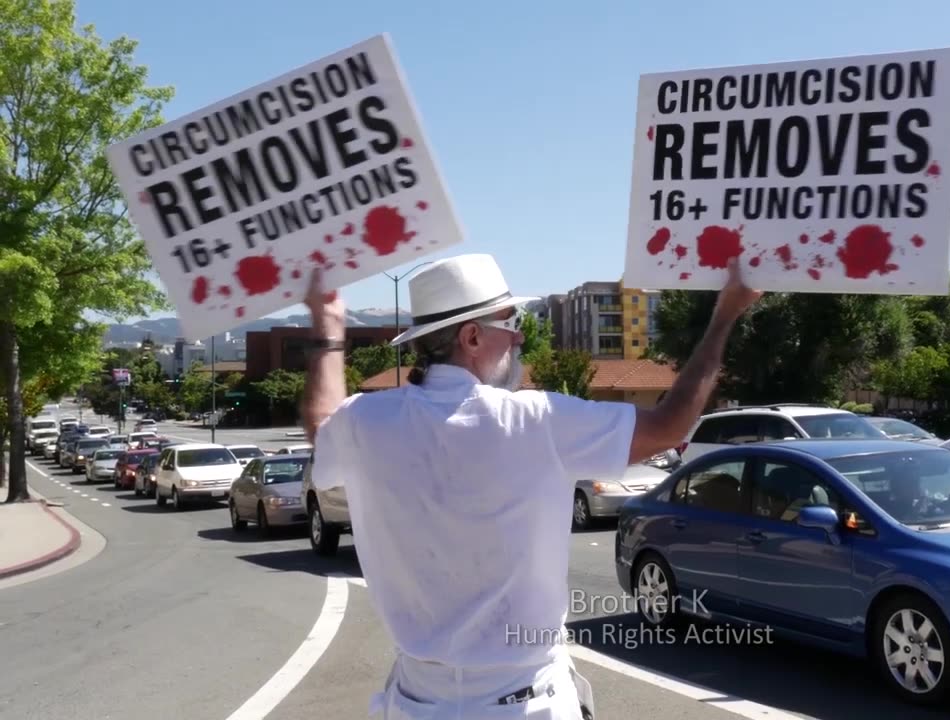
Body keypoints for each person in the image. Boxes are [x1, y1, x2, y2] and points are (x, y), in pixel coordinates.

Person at [300, 252, 761, 719]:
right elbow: (670, 426)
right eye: (511, 321)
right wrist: (725, 315)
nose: (520, 336)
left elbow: (321, 424)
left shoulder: (365, 422)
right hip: (524, 705)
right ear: (472, 336)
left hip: (415, 703)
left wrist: (327, 323)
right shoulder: (535, 420)